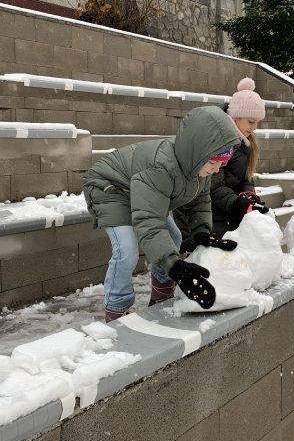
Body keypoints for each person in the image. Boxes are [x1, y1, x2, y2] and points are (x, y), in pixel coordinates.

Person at [83, 105, 242, 322]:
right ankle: (116, 310)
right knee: (127, 250)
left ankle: (161, 295)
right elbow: (149, 222)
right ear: (197, 151)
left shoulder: (198, 168)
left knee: (174, 237)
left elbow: (200, 202)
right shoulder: (162, 167)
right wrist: (175, 267)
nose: (216, 169)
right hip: (110, 188)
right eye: (213, 162)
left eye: (221, 165)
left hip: (140, 190)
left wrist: (201, 232)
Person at [176, 78, 269, 251]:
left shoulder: (246, 141)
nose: (255, 127)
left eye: (257, 122)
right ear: (236, 117)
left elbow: (246, 176)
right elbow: (212, 184)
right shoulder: (218, 139)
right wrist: (237, 204)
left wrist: (248, 194)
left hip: (225, 208)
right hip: (206, 210)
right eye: (251, 121)